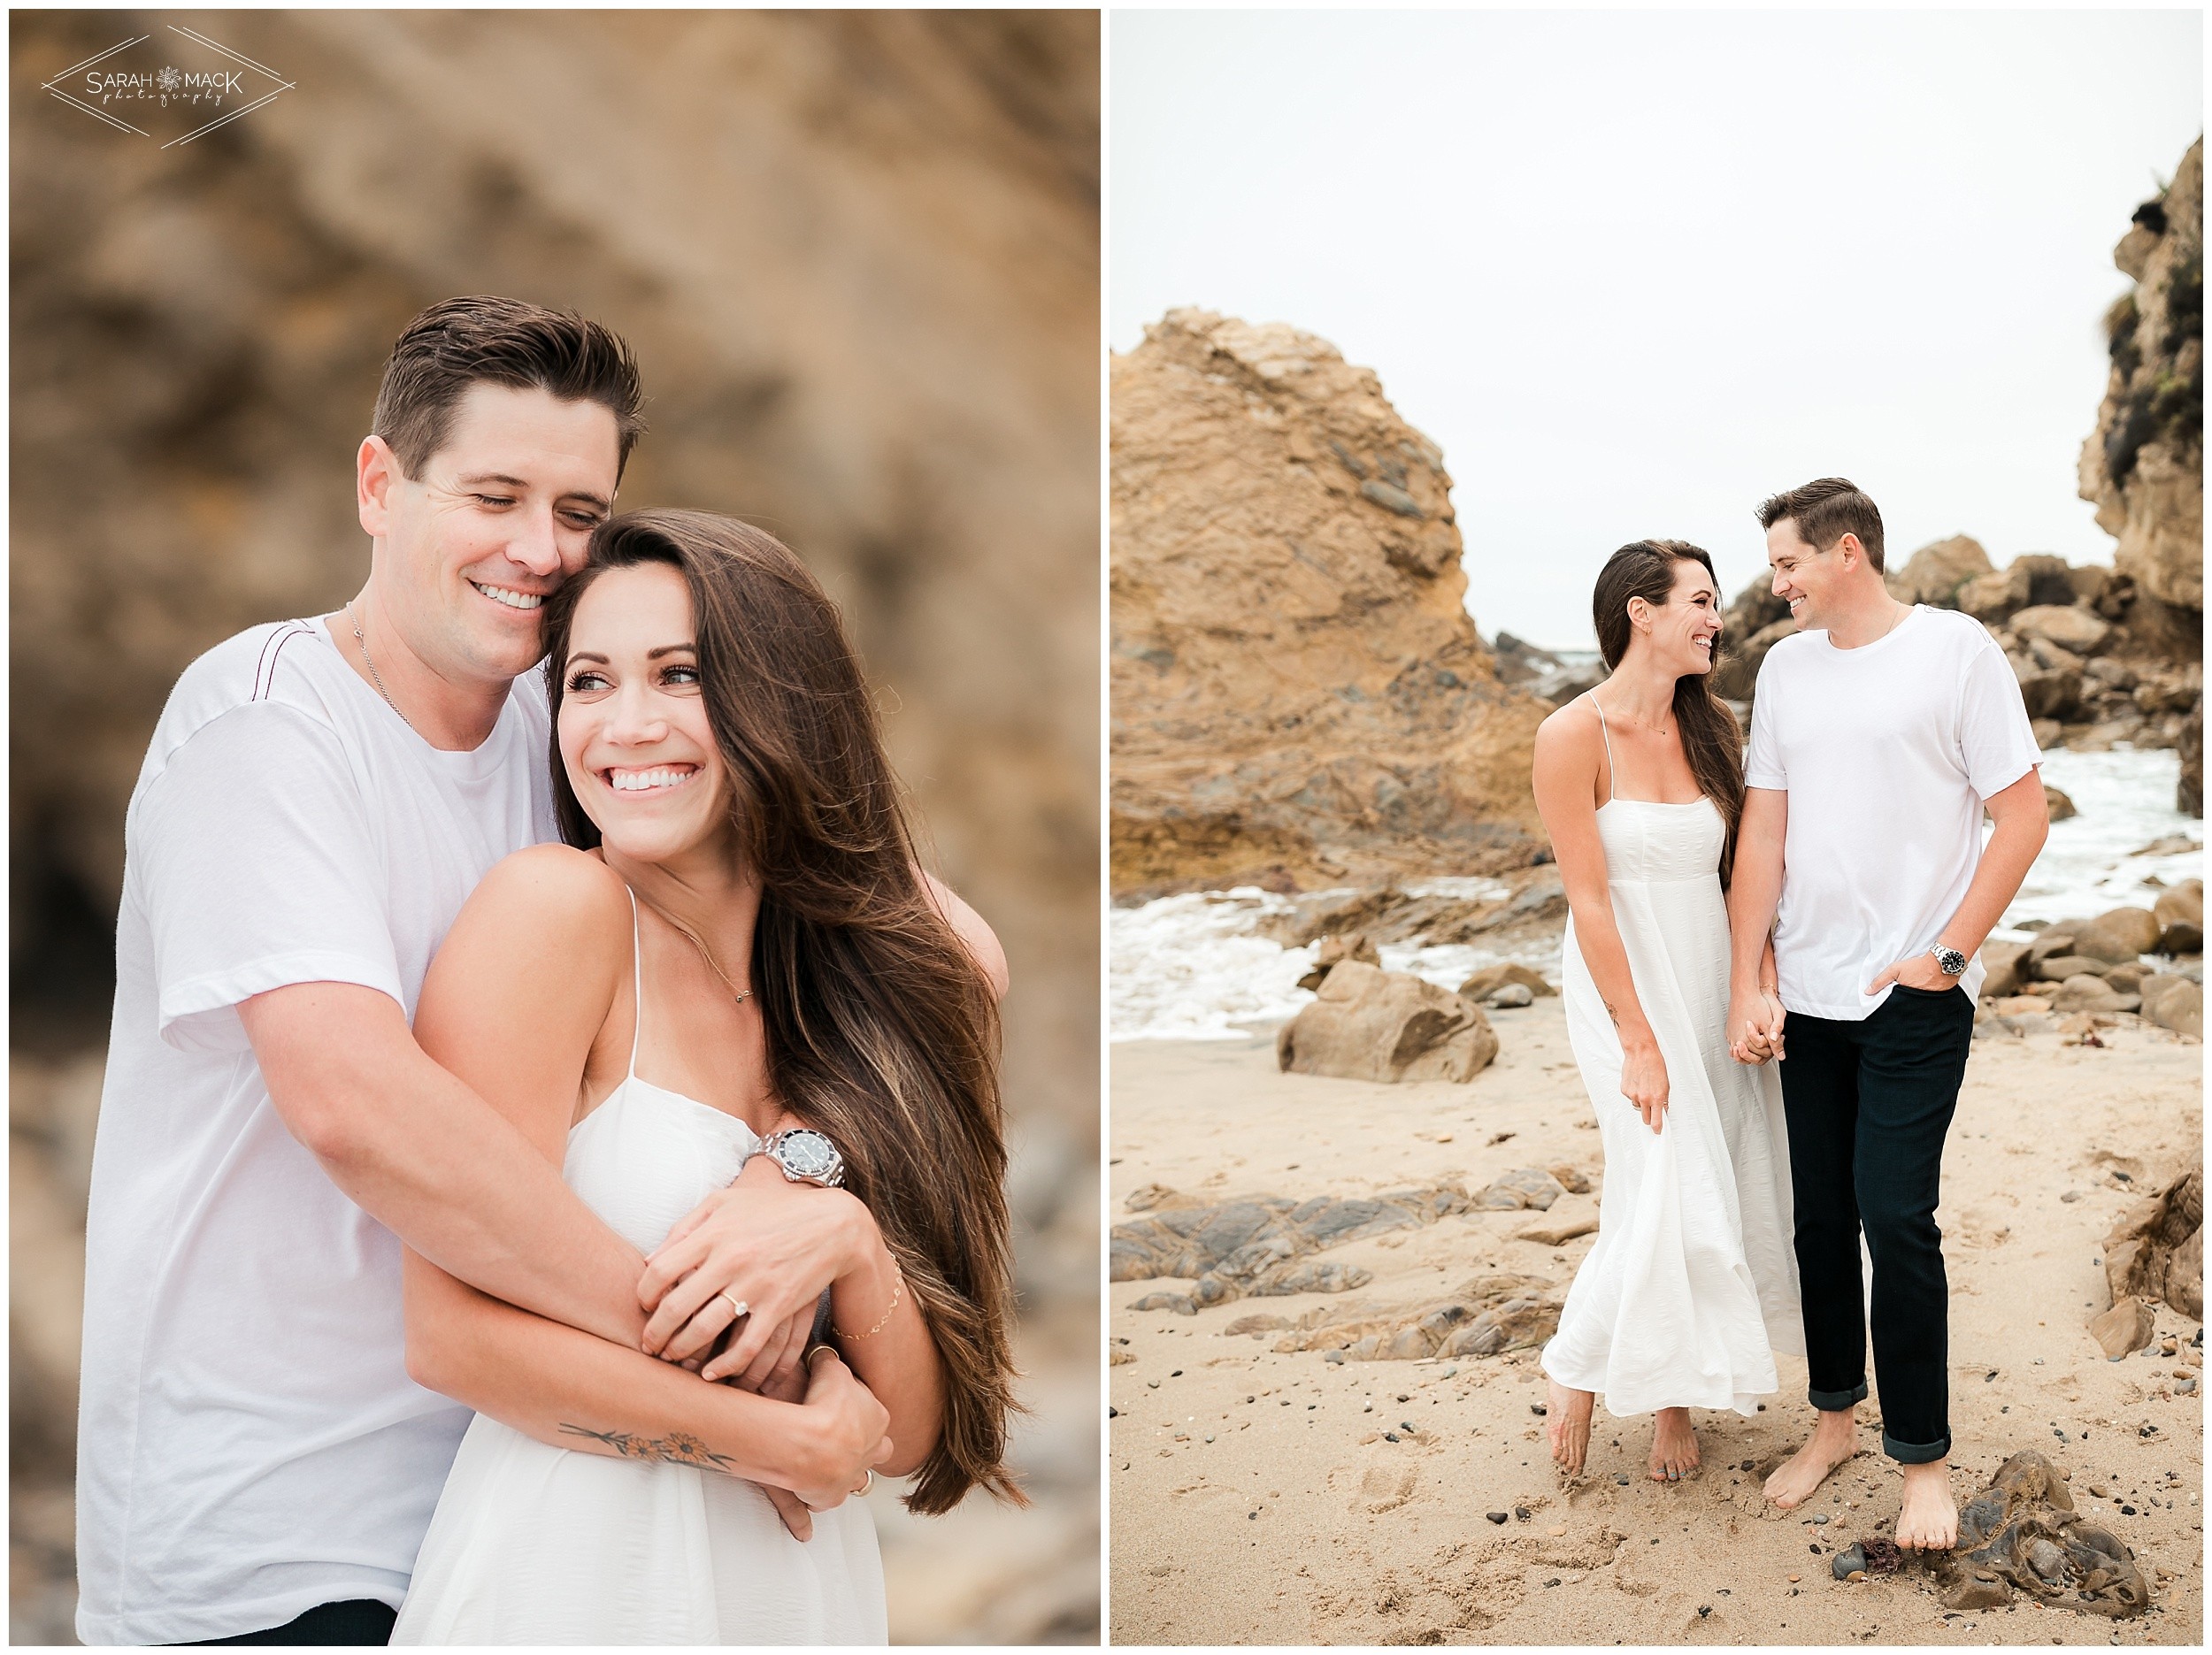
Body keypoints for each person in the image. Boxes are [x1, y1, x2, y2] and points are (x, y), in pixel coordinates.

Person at [74, 298, 947, 1645]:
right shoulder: (265, 725)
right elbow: (354, 1105)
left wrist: (801, 1181)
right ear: (380, 484)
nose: (541, 551)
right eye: (494, 494)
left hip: (527, 1482)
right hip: (283, 1537)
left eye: (580, 508)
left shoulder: (586, 727)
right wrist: (735, 1360)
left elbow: (931, 942)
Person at [388, 510, 1021, 1643]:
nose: (626, 726)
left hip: (796, 1597)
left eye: (681, 675)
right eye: (588, 681)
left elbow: (918, 1432)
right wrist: (770, 1439)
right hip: (572, 1590)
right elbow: (453, 1337)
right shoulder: (557, 913)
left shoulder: (850, 1001)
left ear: (784, 697)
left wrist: (841, 1232)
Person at [1727, 478, 2047, 1551]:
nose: (1772, 585)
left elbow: (2021, 813)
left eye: (1786, 563)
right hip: (1807, 1000)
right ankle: (1831, 1423)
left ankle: (1923, 1461)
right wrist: (1748, 979)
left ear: (1847, 550)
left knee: (1895, 1219)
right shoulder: (1782, 669)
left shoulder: (1957, 651)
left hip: (1912, 994)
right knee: (1818, 1220)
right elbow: (1763, 835)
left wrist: (1949, 954)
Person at [1532, 540, 1802, 1483]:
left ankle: (1670, 1400)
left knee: (1710, 1169)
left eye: (1715, 602)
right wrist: (1636, 1039)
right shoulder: (1571, 733)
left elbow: (1747, 876)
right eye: (1698, 600)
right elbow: (1589, 899)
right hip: (1621, 983)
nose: (1715, 618)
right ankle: (1580, 1365)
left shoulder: (1711, 728)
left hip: (1706, 971)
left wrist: (1755, 984)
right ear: (1637, 613)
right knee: (1660, 1175)